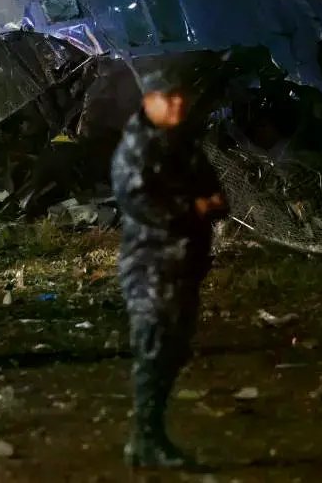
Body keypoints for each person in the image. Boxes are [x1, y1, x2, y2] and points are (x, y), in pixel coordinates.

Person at [110, 56, 228, 468]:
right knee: (154, 347)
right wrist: (194, 207)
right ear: (150, 101)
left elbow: (213, 190)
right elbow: (142, 203)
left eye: (183, 100)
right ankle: (145, 438)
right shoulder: (138, 148)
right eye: (169, 100)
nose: (178, 107)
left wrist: (205, 205)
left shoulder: (181, 143)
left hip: (184, 264)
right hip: (151, 267)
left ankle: (151, 433)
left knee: (174, 349)